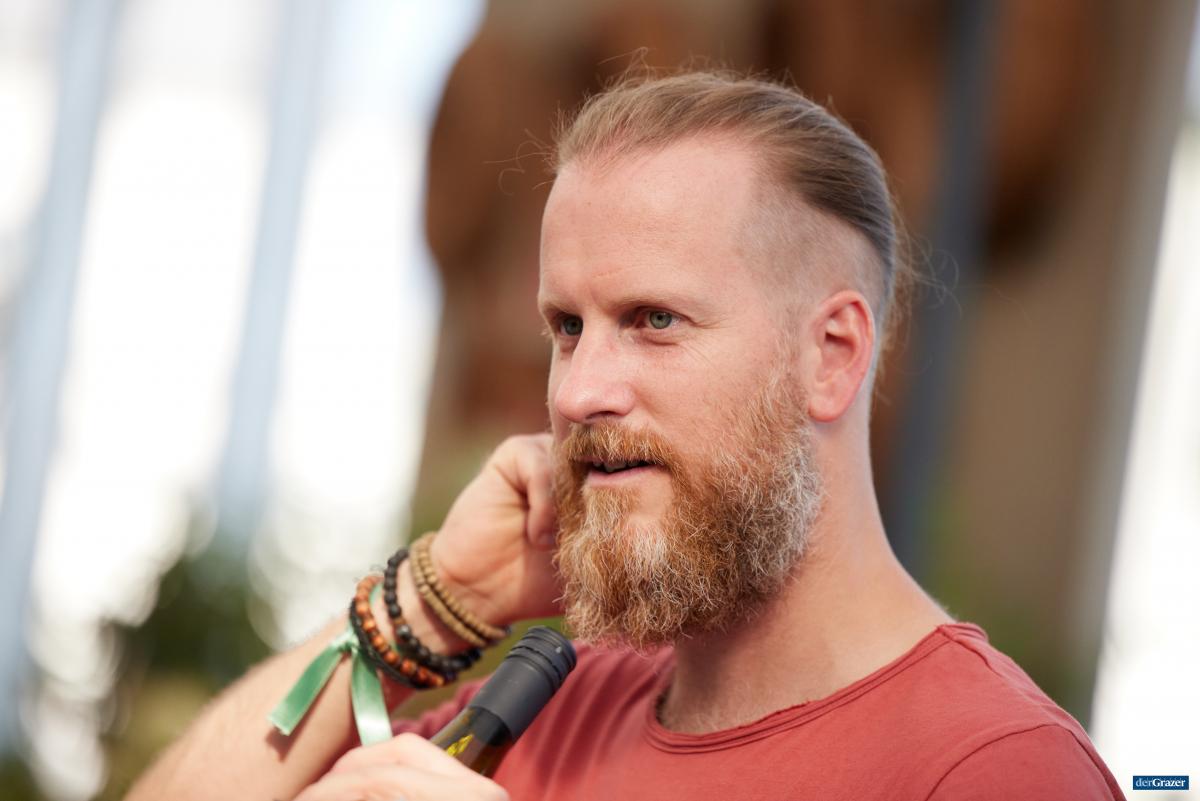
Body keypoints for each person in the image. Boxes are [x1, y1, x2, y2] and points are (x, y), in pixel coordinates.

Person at [127, 72, 1125, 801]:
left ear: (831, 355)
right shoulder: (551, 703)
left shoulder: (995, 765)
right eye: (567, 327)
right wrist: (431, 600)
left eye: (654, 320)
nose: (578, 393)